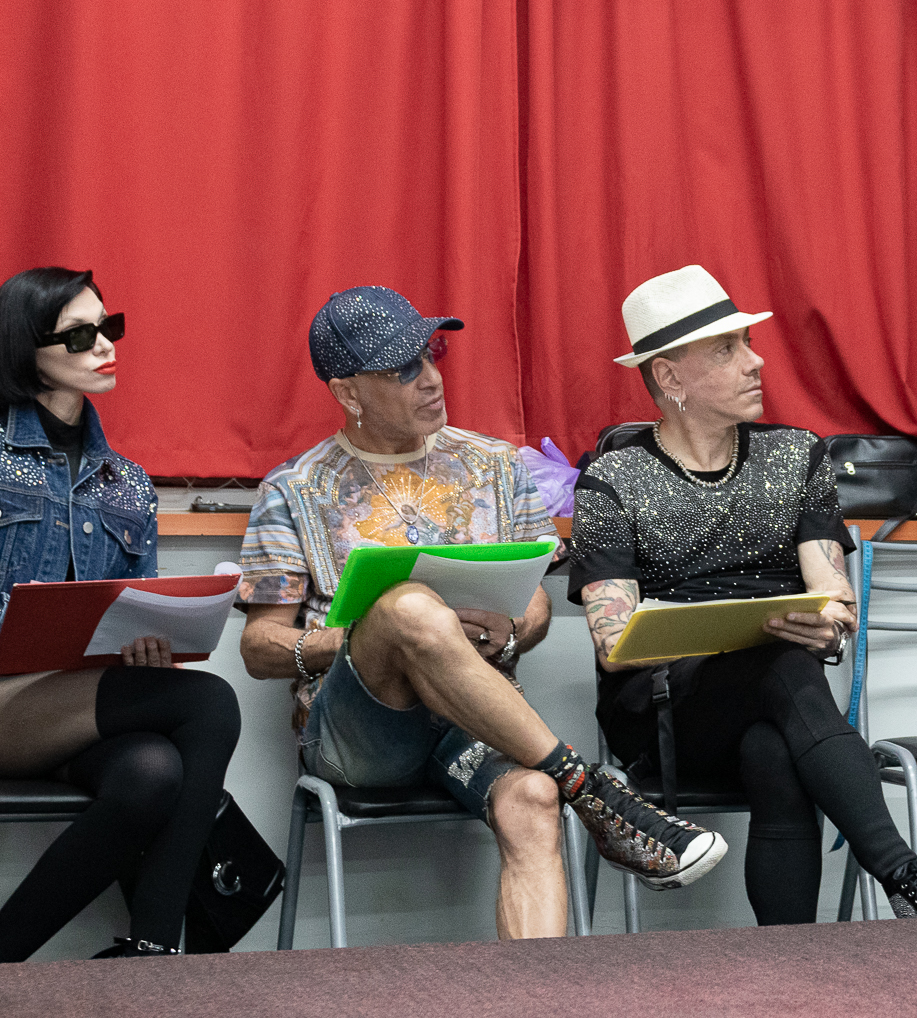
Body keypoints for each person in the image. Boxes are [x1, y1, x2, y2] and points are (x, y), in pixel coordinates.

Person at [235, 286, 726, 941]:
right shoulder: (293, 488)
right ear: (348, 393)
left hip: (476, 720)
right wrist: (366, 635)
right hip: (362, 734)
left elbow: (534, 602)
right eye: (402, 369)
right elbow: (260, 645)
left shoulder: (495, 466)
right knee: (408, 604)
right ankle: (591, 788)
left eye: (431, 354)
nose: (431, 379)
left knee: (534, 798)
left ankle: (536, 983)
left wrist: (512, 629)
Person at [569, 265, 917, 922]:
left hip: (778, 696)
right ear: (669, 377)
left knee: (773, 747)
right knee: (779, 664)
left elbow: (834, 597)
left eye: (746, 342)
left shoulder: (798, 456)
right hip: (662, 709)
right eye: (726, 349)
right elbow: (614, 644)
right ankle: (912, 879)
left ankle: (794, 961)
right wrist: (741, 633)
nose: (755, 361)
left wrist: (828, 622)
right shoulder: (612, 478)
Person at [0, 267, 242, 963]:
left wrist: (146, 645)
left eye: (109, 327)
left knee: (152, 772)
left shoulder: (128, 483)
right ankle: (158, 952)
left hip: (74, 706)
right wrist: (41, 639)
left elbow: (136, 605)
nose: (104, 344)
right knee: (210, 701)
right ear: (25, 348)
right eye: (79, 334)